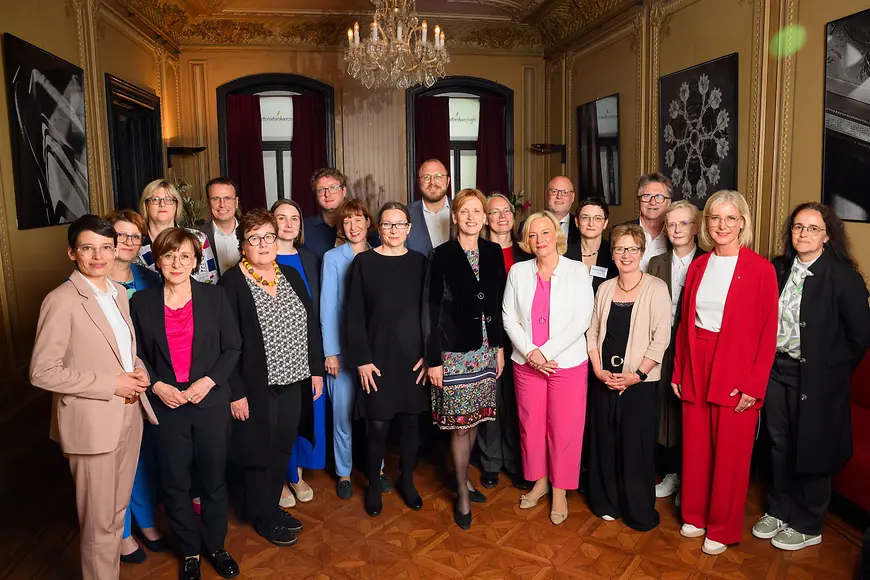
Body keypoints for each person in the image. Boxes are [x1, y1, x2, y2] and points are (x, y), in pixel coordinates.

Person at [30, 215, 157, 580]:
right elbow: (42, 371)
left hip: (128, 416)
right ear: (73, 253)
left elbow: (123, 350)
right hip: (91, 426)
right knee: (98, 523)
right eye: (88, 248)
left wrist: (140, 368)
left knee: (116, 515)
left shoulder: (117, 292)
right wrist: (110, 384)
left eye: (105, 247)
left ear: (115, 250)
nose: (98, 256)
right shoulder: (61, 300)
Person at [752, 202, 870, 551]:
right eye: (798, 227)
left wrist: (830, 370)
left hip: (819, 379)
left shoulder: (843, 278)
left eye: (812, 228)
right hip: (777, 370)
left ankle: (808, 522)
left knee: (813, 447)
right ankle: (779, 509)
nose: (804, 234)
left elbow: (861, 337)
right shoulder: (778, 268)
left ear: (827, 235)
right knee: (778, 443)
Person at [131, 228, 242, 580]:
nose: (176, 263)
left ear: (195, 261)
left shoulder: (215, 297)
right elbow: (135, 356)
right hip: (167, 404)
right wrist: (158, 386)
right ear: (157, 260)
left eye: (184, 257)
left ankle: (216, 545)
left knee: (213, 479)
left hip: (209, 402)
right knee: (175, 482)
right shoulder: (141, 303)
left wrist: (208, 382)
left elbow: (233, 348)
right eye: (168, 256)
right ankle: (190, 552)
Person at [672, 190, 778, 555]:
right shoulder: (699, 266)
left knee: (731, 453)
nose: (722, 225)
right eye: (716, 218)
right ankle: (696, 514)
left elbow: (769, 332)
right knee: (696, 444)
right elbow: (685, 321)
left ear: (742, 223)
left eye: (730, 218)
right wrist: (680, 369)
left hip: (736, 364)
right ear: (706, 223)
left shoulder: (761, 269)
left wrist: (754, 384)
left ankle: (722, 525)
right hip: (697, 359)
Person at [219, 209, 324, 547]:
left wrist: (316, 369)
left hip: (295, 380)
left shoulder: (290, 273)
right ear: (242, 245)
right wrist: (235, 392)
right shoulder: (232, 283)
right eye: (254, 238)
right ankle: (261, 516)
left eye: (268, 236)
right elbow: (227, 344)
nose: (263, 244)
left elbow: (311, 325)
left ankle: (271, 507)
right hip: (256, 387)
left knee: (281, 447)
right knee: (257, 451)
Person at [502, 211, 594, 525]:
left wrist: (547, 353)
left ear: (556, 234)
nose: (539, 240)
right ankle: (539, 481)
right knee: (532, 426)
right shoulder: (517, 271)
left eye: (545, 232)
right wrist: (530, 353)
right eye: (532, 235)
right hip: (526, 364)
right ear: (526, 241)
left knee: (564, 427)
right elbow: (508, 318)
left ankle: (559, 490)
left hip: (565, 363)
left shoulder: (577, 270)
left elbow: (582, 318)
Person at [425, 189, 506, 529]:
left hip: (486, 351)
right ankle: (460, 490)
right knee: (459, 427)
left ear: (485, 218)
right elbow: (429, 309)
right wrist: (433, 360)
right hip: (453, 352)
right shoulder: (440, 255)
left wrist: (499, 347)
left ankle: (466, 480)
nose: (472, 216)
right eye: (465, 211)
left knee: (475, 419)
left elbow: (497, 303)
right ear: (454, 217)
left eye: (478, 211)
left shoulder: (493, 251)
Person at [585, 224, 672, 531]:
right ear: (613, 253)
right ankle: (606, 502)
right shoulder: (605, 288)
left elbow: (660, 340)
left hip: (639, 384)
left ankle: (637, 509)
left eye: (632, 249)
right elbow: (593, 331)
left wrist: (636, 375)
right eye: (620, 249)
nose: (625, 255)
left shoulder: (657, 288)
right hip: (605, 379)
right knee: (605, 442)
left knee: (635, 447)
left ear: (641, 252)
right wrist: (597, 369)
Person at [345, 202, 429, 517]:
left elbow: (429, 314)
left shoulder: (421, 263)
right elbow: (352, 315)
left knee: (410, 423)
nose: (394, 230)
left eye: (400, 224)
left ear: (409, 228)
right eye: (388, 224)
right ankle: (373, 484)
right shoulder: (364, 263)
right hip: (377, 360)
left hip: (412, 360)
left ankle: (407, 480)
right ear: (378, 228)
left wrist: (428, 355)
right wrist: (362, 359)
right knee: (377, 426)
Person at [320, 199, 391, 499]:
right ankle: (345, 473)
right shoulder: (333, 257)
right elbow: (328, 306)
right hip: (343, 353)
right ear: (341, 226)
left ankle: (379, 469)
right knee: (342, 416)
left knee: (377, 415)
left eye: (358, 219)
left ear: (368, 223)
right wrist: (331, 352)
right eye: (347, 221)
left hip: (374, 353)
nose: (353, 226)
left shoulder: (381, 254)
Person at [105, 209, 164, 563]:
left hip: (149, 379)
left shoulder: (149, 277)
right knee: (116, 462)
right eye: (120, 236)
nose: (128, 242)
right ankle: (122, 532)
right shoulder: (94, 280)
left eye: (134, 236)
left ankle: (145, 520)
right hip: (114, 385)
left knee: (144, 456)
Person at [647, 200, 705, 507]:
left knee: (690, 410)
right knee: (665, 409)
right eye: (672, 224)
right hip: (663, 345)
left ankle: (690, 477)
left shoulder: (708, 262)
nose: (677, 229)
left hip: (694, 347)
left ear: (695, 228)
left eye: (684, 224)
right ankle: (671, 472)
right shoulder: (657, 262)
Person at [271, 199, 326, 507]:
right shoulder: (261, 258)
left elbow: (317, 314)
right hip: (278, 356)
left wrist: (317, 363)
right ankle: (280, 477)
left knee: (308, 415)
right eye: (281, 217)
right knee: (282, 417)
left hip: (309, 352)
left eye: (295, 218)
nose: (289, 223)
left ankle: (298, 474)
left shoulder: (311, 259)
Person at [476, 193, 531, 490]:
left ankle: (514, 460)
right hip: (487, 338)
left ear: (513, 215)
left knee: (516, 401)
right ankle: (490, 462)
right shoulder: (480, 251)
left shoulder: (527, 252)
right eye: (493, 212)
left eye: (505, 210)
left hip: (522, 338)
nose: (501, 216)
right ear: (486, 218)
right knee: (492, 400)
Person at [137, 178, 219, 284]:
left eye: (169, 199)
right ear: (146, 206)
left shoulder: (198, 238)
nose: (162, 204)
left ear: (177, 205)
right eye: (155, 199)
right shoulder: (135, 244)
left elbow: (211, 281)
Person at [302, 168, 378, 257]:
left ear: (344, 191)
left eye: (333, 188)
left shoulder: (362, 228)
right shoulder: (304, 228)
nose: (327, 194)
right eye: (321, 190)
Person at [613, 173, 672, 272]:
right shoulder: (618, 232)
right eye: (646, 196)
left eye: (659, 197)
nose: (652, 202)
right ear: (638, 201)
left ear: (669, 203)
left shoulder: (677, 236)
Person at [565, 197, 617, 293]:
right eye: (585, 217)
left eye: (597, 218)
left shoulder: (613, 255)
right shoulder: (563, 252)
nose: (591, 223)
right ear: (577, 222)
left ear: (605, 223)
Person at [406, 159, 453, 256]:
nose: (432, 182)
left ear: (448, 181)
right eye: (426, 177)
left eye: (438, 176)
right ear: (419, 182)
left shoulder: (462, 211)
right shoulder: (405, 214)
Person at [518, 177, 581, 245]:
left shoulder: (582, 226)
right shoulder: (527, 225)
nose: (559, 196)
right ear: (546, 195)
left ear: (573, 197)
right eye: (554, 191)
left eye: (565, 192)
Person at [197, 177, 241, 276]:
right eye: (215, 199)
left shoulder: (251, 232)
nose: (222, 205)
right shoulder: (196, 236)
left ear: (236, 202)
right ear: (209, 203)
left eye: (227, 198)